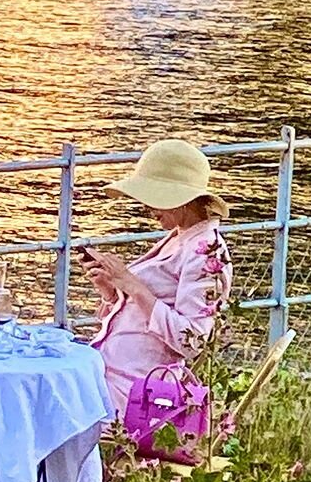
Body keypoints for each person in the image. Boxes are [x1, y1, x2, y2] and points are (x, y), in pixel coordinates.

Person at [85, 138, 233, 416]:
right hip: (114, 376)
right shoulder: (180, 238)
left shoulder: (205, 252)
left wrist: (133, 285)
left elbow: (193, 341)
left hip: (136, 394)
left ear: (181, 201)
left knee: (45, 406)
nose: (148, 208)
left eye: (154, 199)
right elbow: (144, 311)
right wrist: (112, 290)